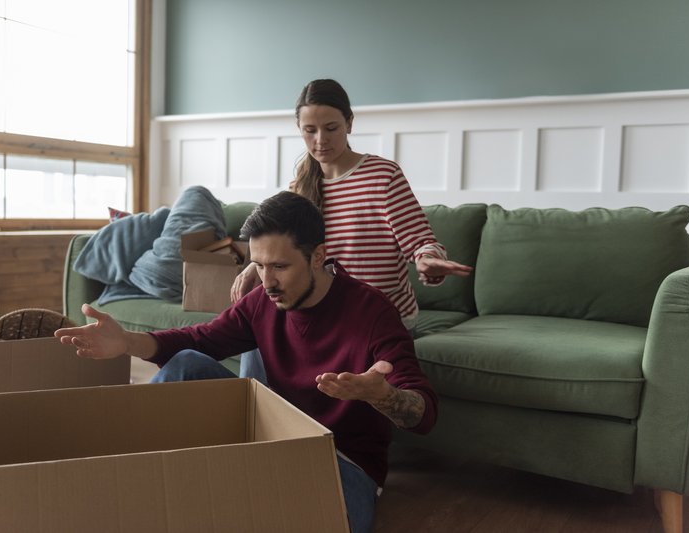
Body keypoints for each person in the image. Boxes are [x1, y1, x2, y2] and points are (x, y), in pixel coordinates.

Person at [55, 191, 438, 533]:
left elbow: (423, 413)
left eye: (280, 267)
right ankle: (134, 477)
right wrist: (125, 342)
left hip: (341, 460)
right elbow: (200, 340)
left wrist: (383, 396)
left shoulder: (372, 312)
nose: (267, 281)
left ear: (319, 256)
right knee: (188, 362)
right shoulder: (262, 301)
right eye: (259, 265)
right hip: (269, 439)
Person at [231, 78, 473, 379]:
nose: (321, 140)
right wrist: (255, 267)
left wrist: (427, 260)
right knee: (259, 321)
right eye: (310, 131)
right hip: (324, 310)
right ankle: (255, 411)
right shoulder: (299, 187)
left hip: (377, 317)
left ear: (349, 123)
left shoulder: (383, 176)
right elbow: (278, 246)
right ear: (300, 130)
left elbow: (419, 241)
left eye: (331, 128)